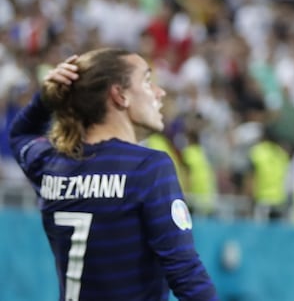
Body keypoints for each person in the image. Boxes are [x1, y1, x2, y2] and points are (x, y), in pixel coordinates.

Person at [9, 49, 218, 301]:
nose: (160, 93)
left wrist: (43, 101)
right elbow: (185, 272)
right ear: (120, 95)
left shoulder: (49, 163)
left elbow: (20, 135)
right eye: (148, 81)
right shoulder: (148, 166)